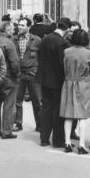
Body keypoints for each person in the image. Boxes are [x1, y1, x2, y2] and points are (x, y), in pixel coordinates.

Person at [37, 17, 71, 148]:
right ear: (66, 29)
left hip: (45, 79)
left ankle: (44, 138)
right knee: (58, 110)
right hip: (57, 81)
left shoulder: (45, 39)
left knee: (46, 109)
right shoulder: (62, 42)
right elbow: (61, 64)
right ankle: (58, 140)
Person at [61, 29, 90, 154]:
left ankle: (67, 143)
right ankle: (81, 145)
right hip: (83, 84)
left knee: (68, 114)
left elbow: (63, 68)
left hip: (69, 83)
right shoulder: (89, 54)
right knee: (83, 116)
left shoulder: (66, 52)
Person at [0, 21, 20, 139]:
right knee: (8, 104)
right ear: (7, 30)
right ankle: (7, 130)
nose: (13, 31)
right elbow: (14, 62)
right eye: (12, 29)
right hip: (8, 77)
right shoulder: (9, 43)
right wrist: (17, 74)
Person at [13, 17, 42, 132]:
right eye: (19, 25)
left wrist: (37, 71)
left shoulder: (37, 40)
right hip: (19, 73)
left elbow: (41, 57)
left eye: (22, 25)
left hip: (32, 74)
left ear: (29, 27)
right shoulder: (14, 39)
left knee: (37, 101)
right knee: (17, 100)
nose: (19, 27)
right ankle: (18, 123)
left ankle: (39, 124)